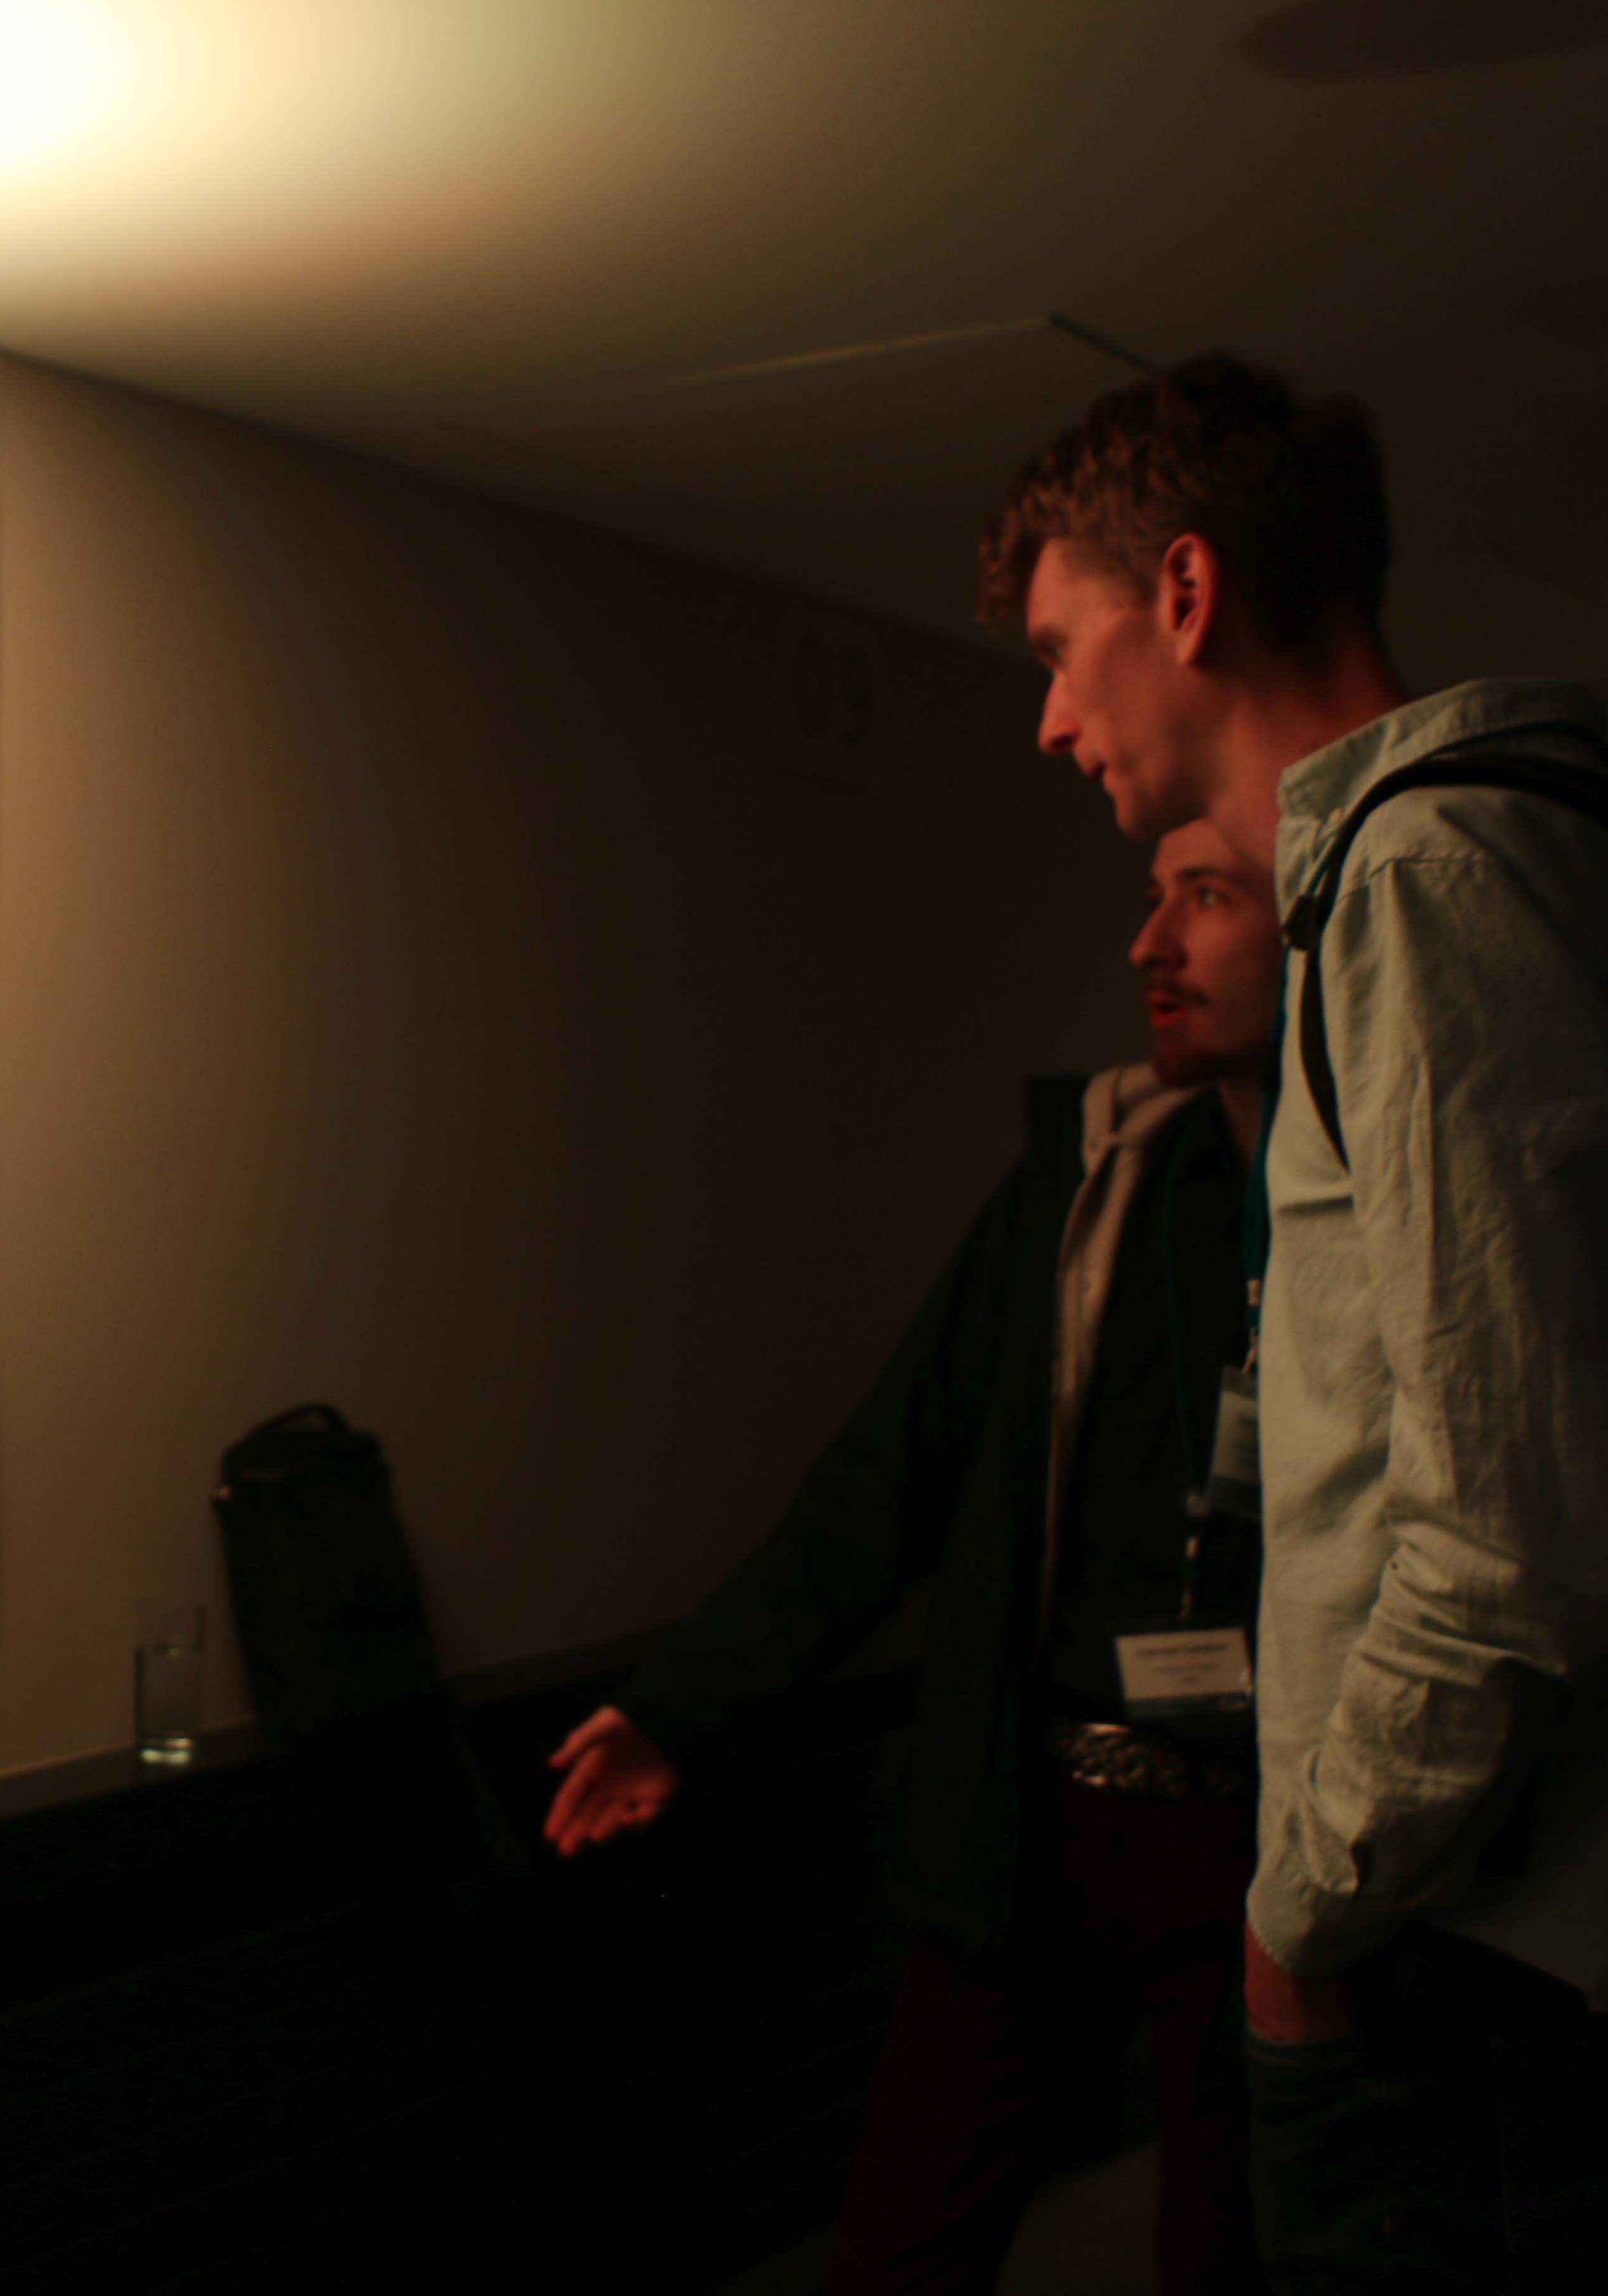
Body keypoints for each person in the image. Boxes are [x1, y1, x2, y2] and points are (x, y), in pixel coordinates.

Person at [978, 353, 1608, 2291]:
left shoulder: (1424, 875)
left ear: (1186, 592)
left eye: (1062, 650)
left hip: (1447, 1969)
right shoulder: (1430, 875)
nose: (1050, 720)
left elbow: (1503, 1545)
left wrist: (1300, 1914)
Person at [545, 823, 1281, 2295]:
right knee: (897, 2252)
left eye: (1206, 898)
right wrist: (680, 1708)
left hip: (1261, 1850)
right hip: (1030, 1818)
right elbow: (884, 1477)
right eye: (1155, 899)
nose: (1150, 943)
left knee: (1231, 2259)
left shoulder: (1380, 1204)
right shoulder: (1084, 1184)